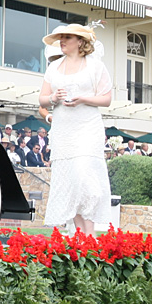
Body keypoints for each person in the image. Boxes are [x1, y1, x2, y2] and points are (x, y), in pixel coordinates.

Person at [38, 23, 113, 236]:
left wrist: (82, 99)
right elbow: (42, 98)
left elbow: (106, 98)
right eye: (61, 38)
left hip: (87, 128)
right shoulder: (54, 68)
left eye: (68, 37)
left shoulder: (95, 66)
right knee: (70, 180)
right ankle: (81, 234)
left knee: (85, 178)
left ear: (80, 42)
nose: (62, 41)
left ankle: (89, 234)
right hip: (63, 130)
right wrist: (53, 98)